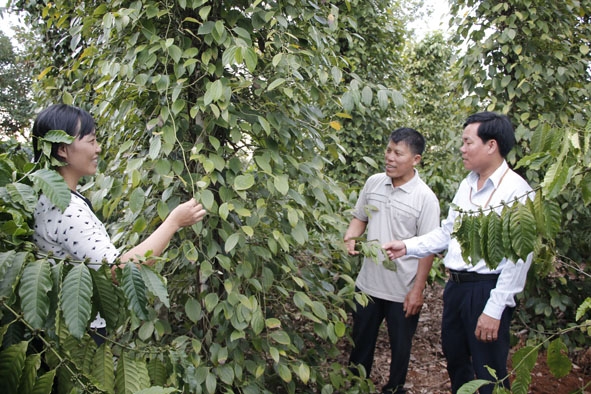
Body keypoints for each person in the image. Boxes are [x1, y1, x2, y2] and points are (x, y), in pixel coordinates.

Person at [382, 112, 534, 394]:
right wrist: (408, 246)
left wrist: (494, 308)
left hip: (487, 289)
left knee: (490, 370)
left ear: (491, 145)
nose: (462, 148)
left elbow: (519, 258)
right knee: (456, 361)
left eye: (467, 142)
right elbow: (448, 231)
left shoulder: (517, 192)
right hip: (457, 288)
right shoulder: (468, 184)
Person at [31, 103, 207, 339]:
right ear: (63, 149)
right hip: (78, 335)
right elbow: (119, 271)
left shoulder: (51, 197)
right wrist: (173, 222)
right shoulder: (65, 209)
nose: (98, 149)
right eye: (91, 141)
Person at [343, 127, 440, 394]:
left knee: (400, 347)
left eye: (398, 153)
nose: (390, 157)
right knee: (360, 342)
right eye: (388, 150)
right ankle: (356, 385)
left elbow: (428, 248)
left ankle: (395, 388)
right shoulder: (374, 183)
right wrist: (351, 236)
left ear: (416, 159)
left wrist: (417, 290)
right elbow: (360, 217)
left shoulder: (425, 199)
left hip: (402, 290)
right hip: (368, 285)